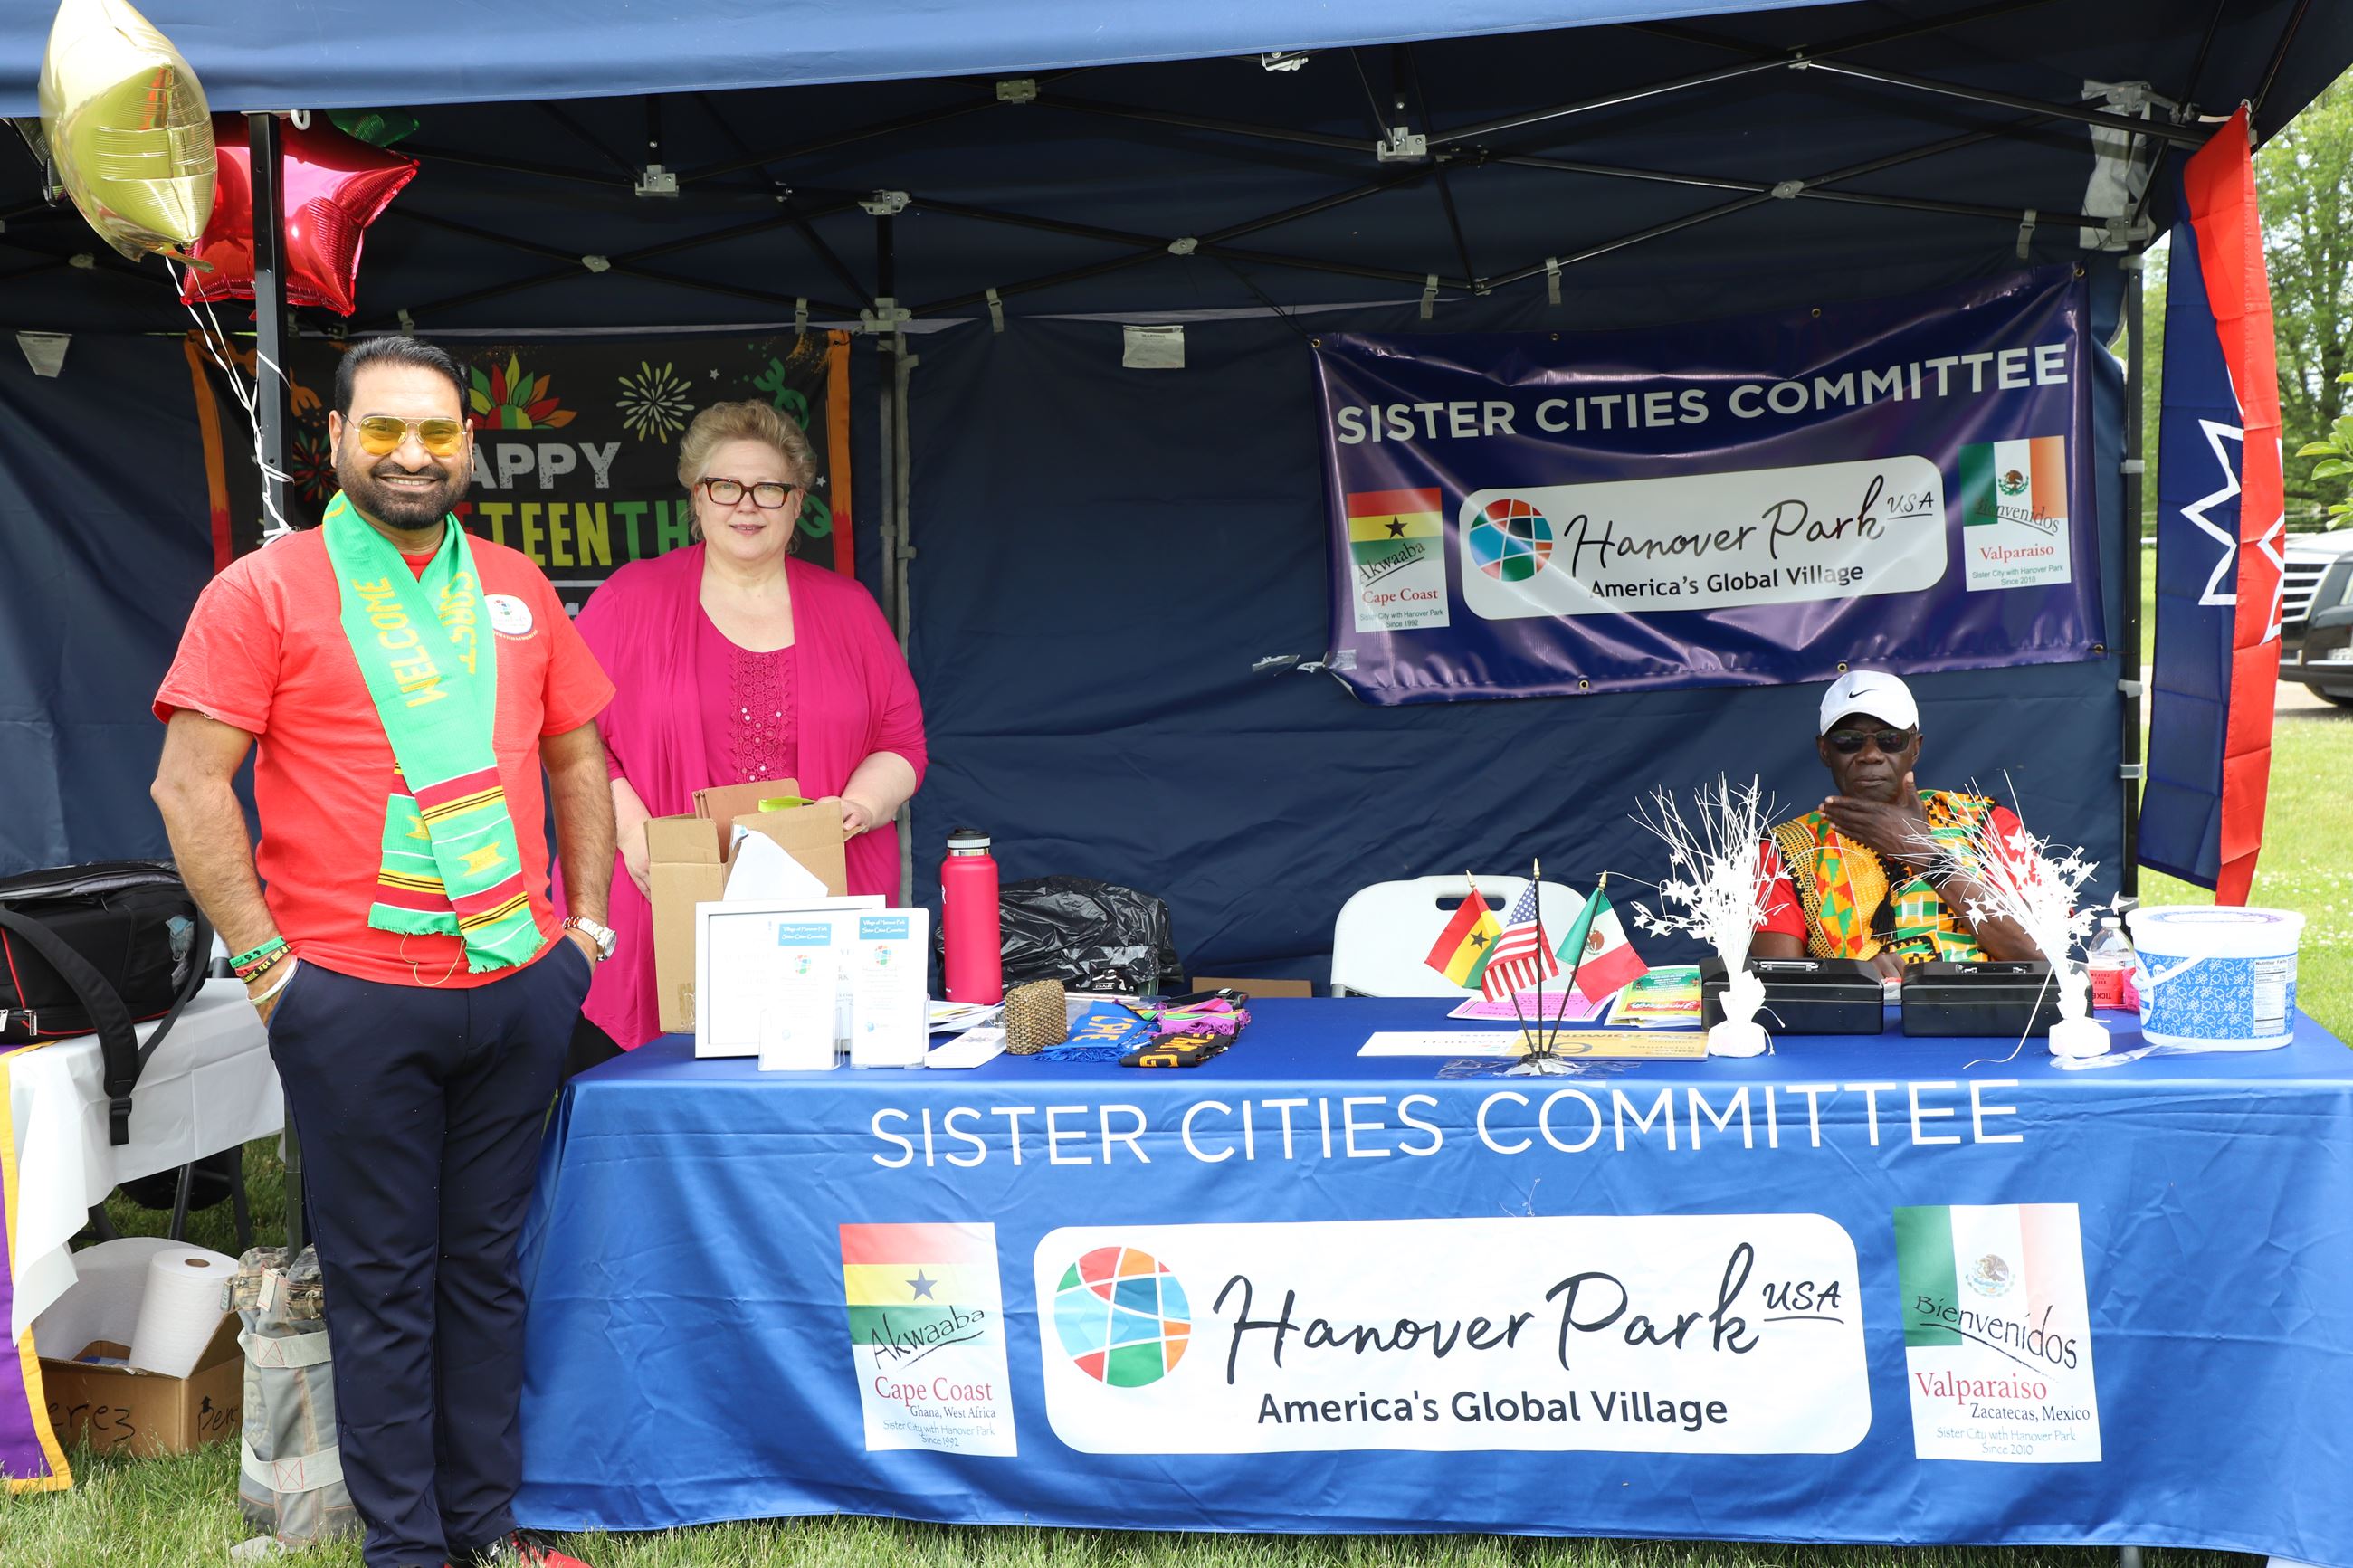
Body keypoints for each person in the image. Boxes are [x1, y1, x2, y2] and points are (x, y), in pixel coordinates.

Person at [150, 336, 614, 1568]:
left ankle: (487, 1527)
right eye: (386, 430)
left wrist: (591, 929)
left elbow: (577, 756)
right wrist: (268, 972)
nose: (413, 453)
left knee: (485, 1275)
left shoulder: (516, 585)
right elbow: (190, 789)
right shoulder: (264, 591)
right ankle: (407, 1550)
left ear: (470, 443)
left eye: (437, 431)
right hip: (348, 997)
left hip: (518, 985)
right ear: (337, 442)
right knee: (383, 1286)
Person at [568, 399, 926, 1058]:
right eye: (725, 486)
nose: (747, 505)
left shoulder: (850, 609)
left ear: (797, 504)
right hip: (663, 893)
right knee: (659, 1117)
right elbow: (573, 735)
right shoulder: (629, 600)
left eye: (769, 488)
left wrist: (862, 805)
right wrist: (630, 832)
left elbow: (900, 744)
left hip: (823, 900)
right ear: (697, 499)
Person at [1752, 669, 2037, 981]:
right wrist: (1855, 975)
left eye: (1891, 740)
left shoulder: (1986, 823)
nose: (1871, 755)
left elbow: (2040, 953)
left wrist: (1922, 852)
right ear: (1825, 751)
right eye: (1849, 741)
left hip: (1983, 1018)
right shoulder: (1785, 850)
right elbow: (1775, 985)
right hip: (1856, 1025)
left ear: (1915, 747)